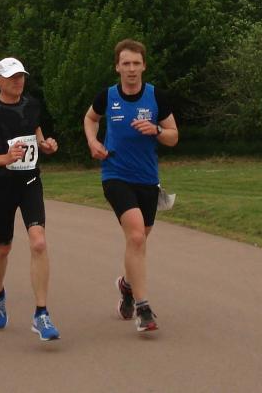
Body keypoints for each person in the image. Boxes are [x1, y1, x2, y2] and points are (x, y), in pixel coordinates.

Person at [82, 39, 179, 332]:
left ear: (144, 66)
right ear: (117, 67)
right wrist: (93, 142)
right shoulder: (107, 96)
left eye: (136, 63)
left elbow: (173, 136)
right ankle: (143, 308)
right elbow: (90, 118)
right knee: (136, 236)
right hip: (115, 175)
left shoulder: (156, 96)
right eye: (126, 63)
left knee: (140, 239)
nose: (132, 69)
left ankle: (126, 285)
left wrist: (156, 129)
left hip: (147, 179)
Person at [0, 57, 61, 341]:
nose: (18, 81)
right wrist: (3, 159)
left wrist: (45, 144)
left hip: (30, 182)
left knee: (39, 242)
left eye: (20, 76)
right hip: (2, 186)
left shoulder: (32, 104)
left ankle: (41, 314)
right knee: (3, 247)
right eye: (11, 77)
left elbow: (34, 130)